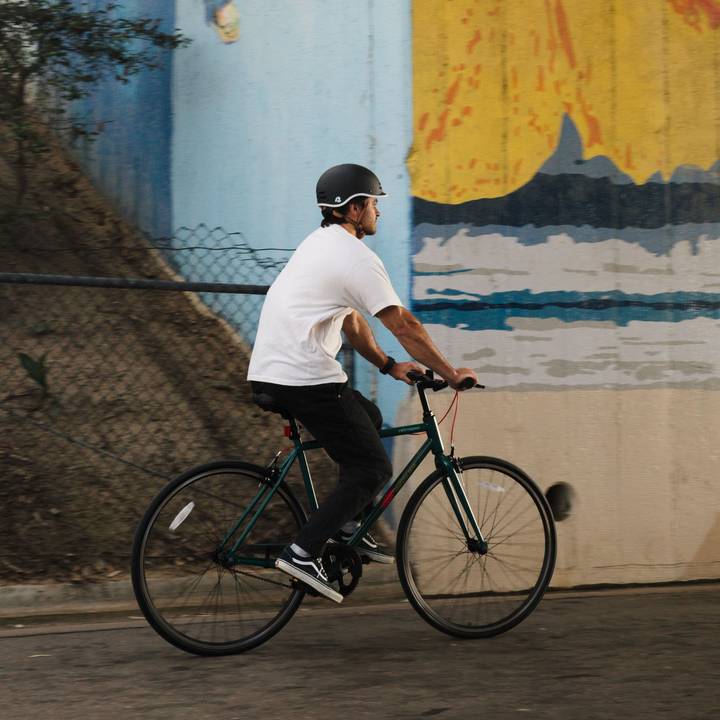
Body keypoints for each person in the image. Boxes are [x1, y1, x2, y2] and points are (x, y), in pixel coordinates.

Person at [247, 163, 478, 603]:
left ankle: (349, 522)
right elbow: (404, 324)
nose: (378, 212)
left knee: (366, 416)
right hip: (304, 377)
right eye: (374, 203)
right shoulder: (356, 258)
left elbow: (352, 319)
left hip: (272, 371)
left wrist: (390, 365)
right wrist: (451, 373)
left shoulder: (319, 245)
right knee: (373, 468)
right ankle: (302, 552)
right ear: (353, 209)